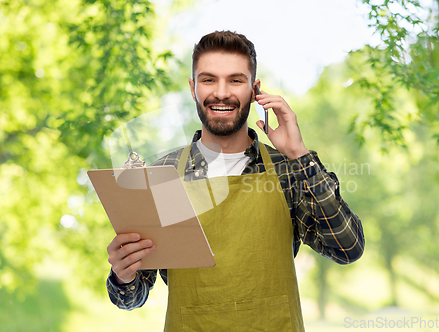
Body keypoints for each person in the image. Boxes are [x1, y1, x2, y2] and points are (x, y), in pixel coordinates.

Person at [106, 30, 364, 331]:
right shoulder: (165, 175)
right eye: (209, 79)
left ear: (254, 90)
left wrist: (299, 154)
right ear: (193, 89)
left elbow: (348, 248)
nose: (222, 92)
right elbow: (131, 297)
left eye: (236, 80)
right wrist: (123, 275)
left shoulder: (287, 170)